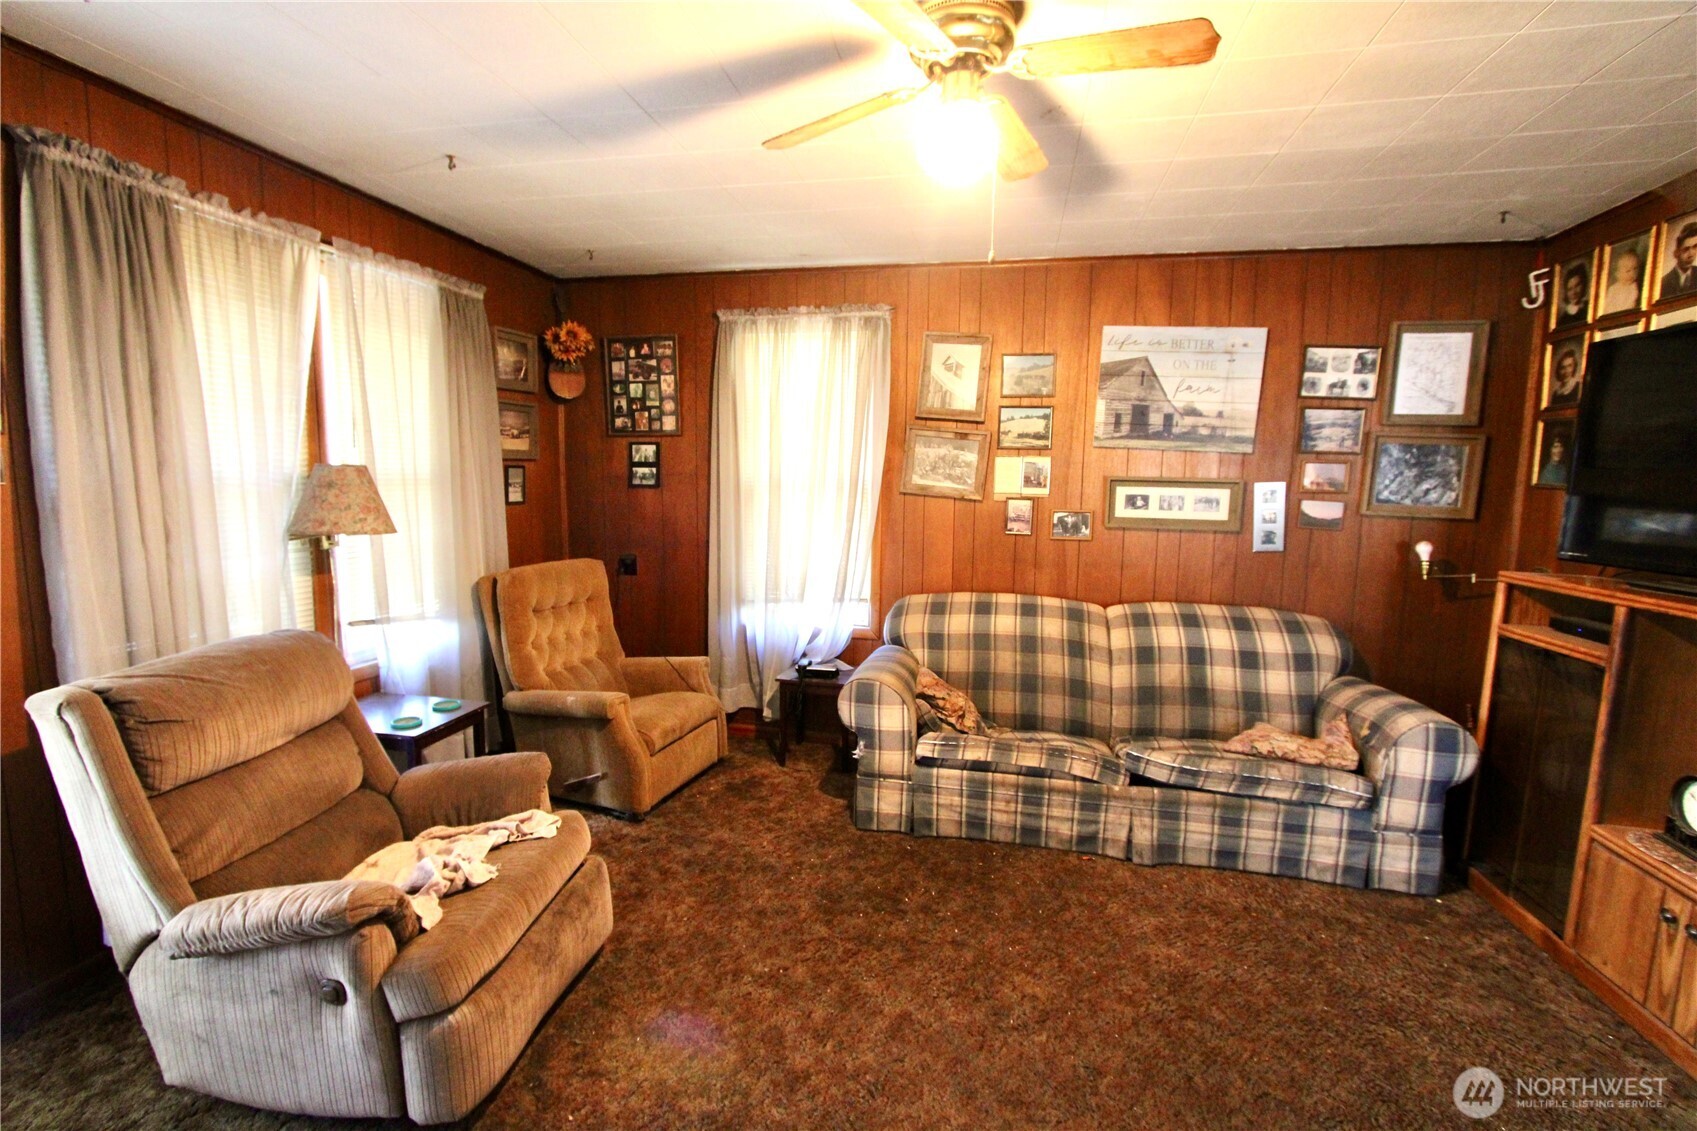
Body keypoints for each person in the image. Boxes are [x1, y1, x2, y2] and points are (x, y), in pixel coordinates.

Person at [1603, 246, 1644, 312]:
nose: (1632, 274)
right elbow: (1606, 305)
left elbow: (1631, 305)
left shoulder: (1633, 288)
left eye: (1635, 269)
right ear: (1618, 273)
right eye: (1628, 270)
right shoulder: (1612, 289)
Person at [1662, 222, 1697, 299]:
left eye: (1695, 247)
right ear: (1676, 252)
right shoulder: (1663, 284)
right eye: (1686, 249)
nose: (1691, 254)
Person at [1555, 262, 1590, 327]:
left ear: (1584, 285)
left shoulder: (1590, 307)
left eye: (1577, 286)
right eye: (1570, 289)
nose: (1574, 292)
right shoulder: (1563, 320)